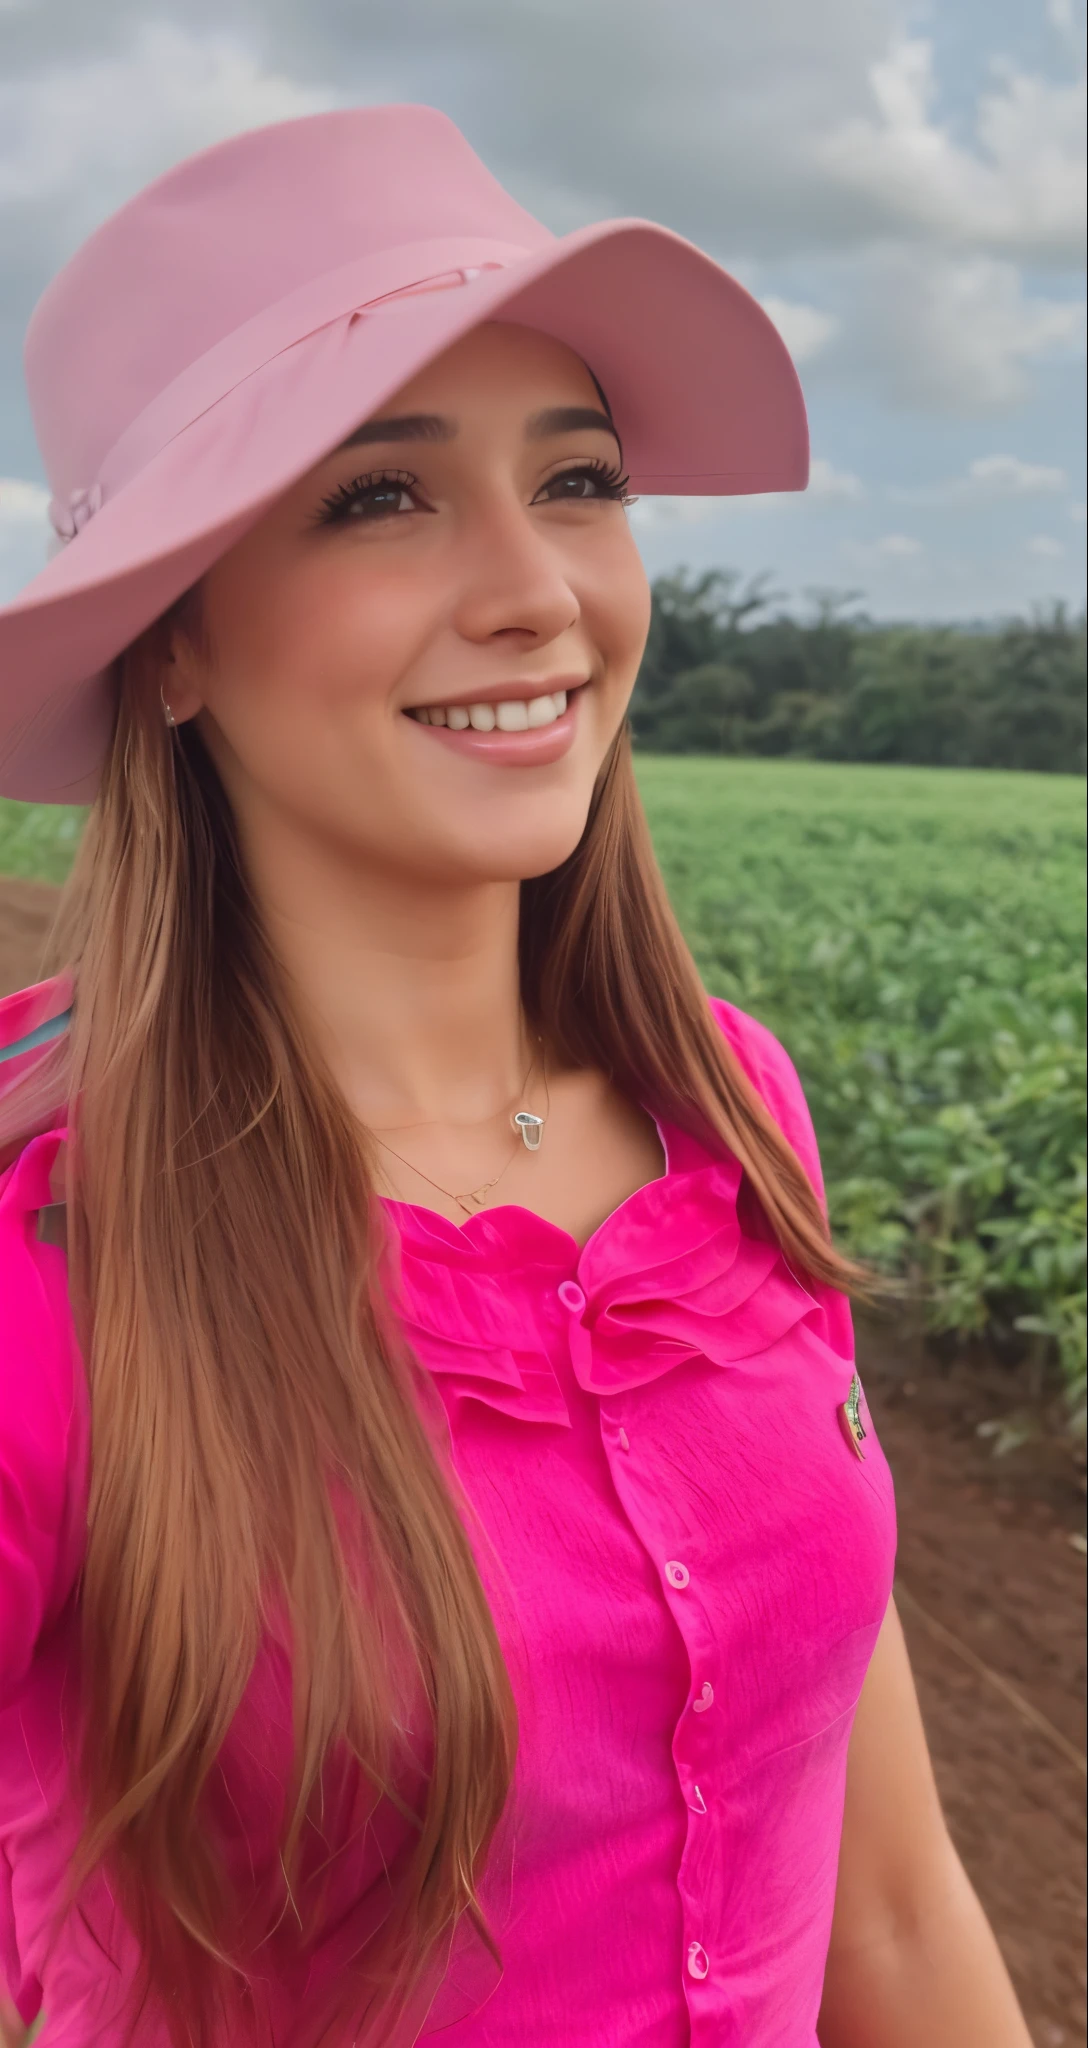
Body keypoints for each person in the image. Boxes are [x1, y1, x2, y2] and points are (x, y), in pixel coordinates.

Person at [0, 105, 1031, 2048]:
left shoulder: (727, 1107)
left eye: (577, 480)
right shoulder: (53, 1242)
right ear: (171, 646)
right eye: (382, 498)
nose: (537, 589)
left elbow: (886, 1907)